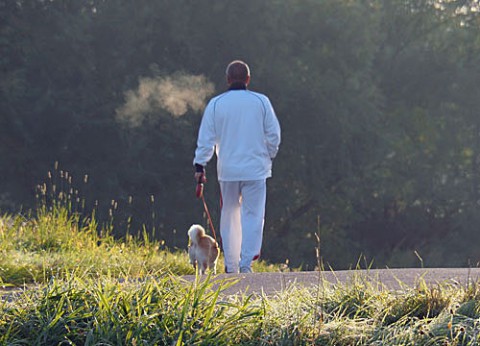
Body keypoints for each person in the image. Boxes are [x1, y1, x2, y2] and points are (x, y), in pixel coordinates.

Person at [193, 60, 281, 273]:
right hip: (256, 169)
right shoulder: (261, 102)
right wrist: (268, 156)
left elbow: (206, 139)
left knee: (230, 215)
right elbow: (274, 135)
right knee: (253, 215)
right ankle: (246, 264)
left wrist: (200, 165)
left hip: (229, 170)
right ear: (248, 79)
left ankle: (231, 266)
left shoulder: (216, 104)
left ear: (228, 79)